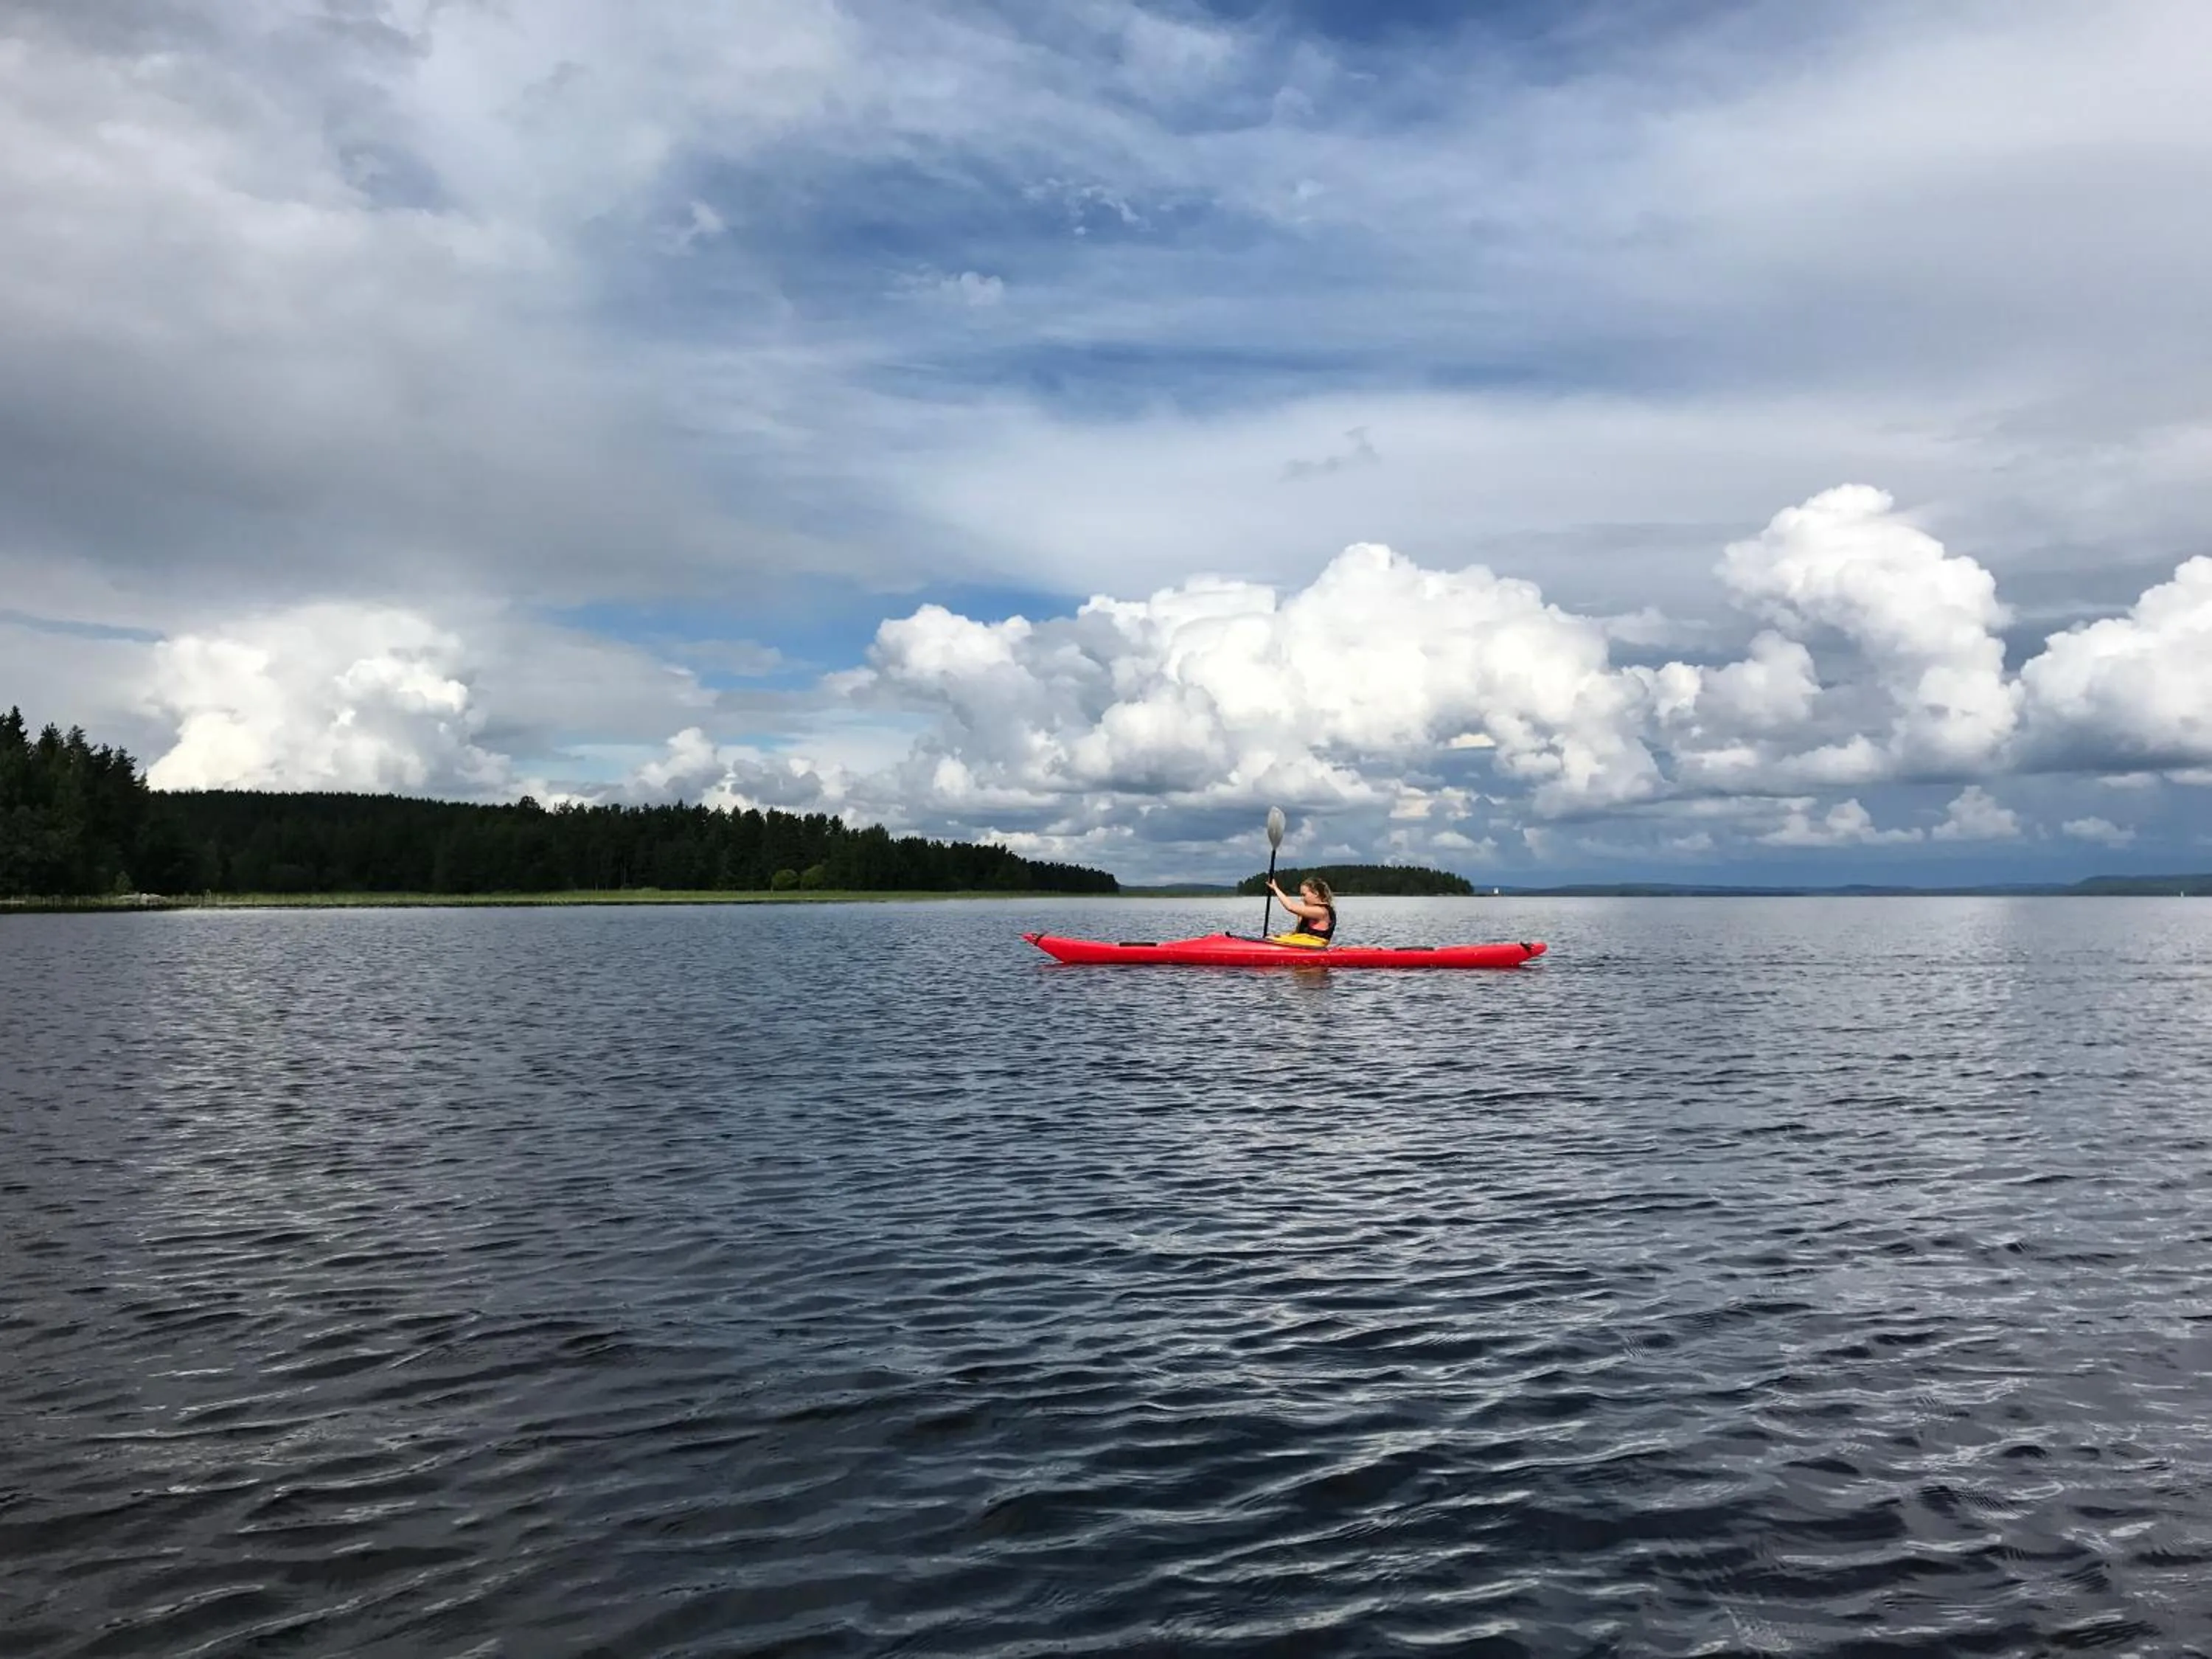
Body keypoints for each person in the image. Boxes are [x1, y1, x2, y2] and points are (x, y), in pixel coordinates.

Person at [1266, 876, 1337, 948]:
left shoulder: (1322, 912)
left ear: (1316, 893)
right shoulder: (1307, 912)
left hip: (1314, 947)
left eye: (1304, 895)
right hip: (1302, 944)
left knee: (1271, 940)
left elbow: (1290, 907)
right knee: (1270, 937)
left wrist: (1275, 888)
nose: (1302, 899)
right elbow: (1298, 934)